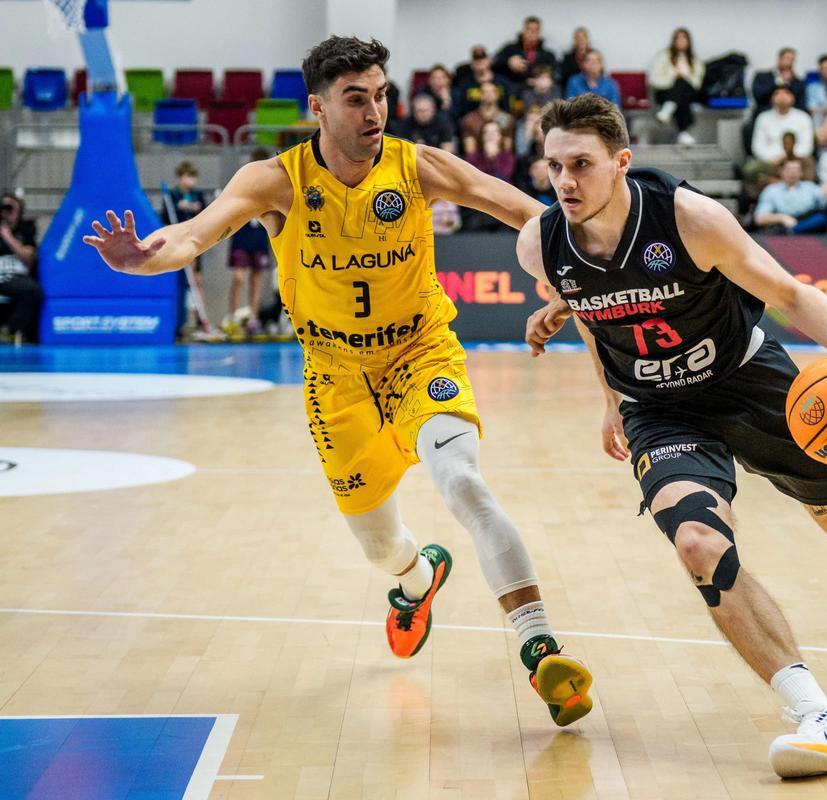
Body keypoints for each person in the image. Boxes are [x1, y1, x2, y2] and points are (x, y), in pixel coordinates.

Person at [82, 36, 594, 726]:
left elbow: (526, 211)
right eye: (357, 99)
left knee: (463, 480)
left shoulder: (418, 166)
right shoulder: (277, 181)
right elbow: (192, 236)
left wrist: (581, 262)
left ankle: (540, 647)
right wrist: (142, 261)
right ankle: (417, 581)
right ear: (319, 107)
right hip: (334, 378)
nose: (375, 111)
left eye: (381, 94)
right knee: (381, 547)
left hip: (421, 354)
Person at [516, 94, 827, 779]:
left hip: (747, 381)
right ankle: (821, 716)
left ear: (622, 163)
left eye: (581, 164)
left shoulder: (688, 218)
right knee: (696, 542)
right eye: (554, 167)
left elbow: (786, 292)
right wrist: (611, 403)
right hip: (658, 410)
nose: (565, 182)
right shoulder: (539, 243)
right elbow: (590, 313)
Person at [222, 149, 276, 335]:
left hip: (259, 239)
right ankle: (231, 315)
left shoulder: (272, 186)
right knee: (239, 277)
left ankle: (253, 317)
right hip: (242, 238)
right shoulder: (243, 182)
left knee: (257, 278)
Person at [163, 161, 209, 334]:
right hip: (176, 245)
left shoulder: (198, 195)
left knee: (196, 281)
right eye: (187, 176)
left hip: (196, 243)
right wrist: (179, 206)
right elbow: (166, 218)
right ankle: (178, 324)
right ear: (179, 178)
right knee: (178, 283)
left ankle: (200, 321)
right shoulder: (172, 196)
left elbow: (207, 217)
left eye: (193, 177)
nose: (191, 180)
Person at [744, 86, 813, 190]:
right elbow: (757, 147)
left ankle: (804, 194)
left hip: (796, 160)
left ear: (792, 98)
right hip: (771, 161)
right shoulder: (763, 118)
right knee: (750, 169)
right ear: (772, 98)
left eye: (786, 93)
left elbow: (806, 147)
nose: (781, 96)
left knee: (810, 163)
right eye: (777, 93)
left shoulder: (803, 117)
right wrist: (774, 159)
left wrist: (788, 158)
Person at [650, 27, 705, 145]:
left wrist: (685, 76)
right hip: (666, 92)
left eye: (684, 38)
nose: (681, 41)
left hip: (688, 92)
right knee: (680, 93)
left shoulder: (695, 60)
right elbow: (654, 80)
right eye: (678, 38)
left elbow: (697, 83)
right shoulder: (663, 57)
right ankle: (683, 132)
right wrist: (672, 76)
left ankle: (668, 108)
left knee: (682, 85)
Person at [0, 191, 42, 344]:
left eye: (10, 208)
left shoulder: (26, 230)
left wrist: (7, 236)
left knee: (33, 291)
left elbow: (28, 258)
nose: (6, 212)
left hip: (16, 277)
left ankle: (10, 330)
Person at [754, 157, 827, 234]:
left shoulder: (810, 187)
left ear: (801, 172)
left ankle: (795, 230)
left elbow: (825, 204)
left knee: (822, 217)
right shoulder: (771, 191)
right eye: (788, 169)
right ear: (781, 172)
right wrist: (781, 218)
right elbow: (759, 219)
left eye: (796, 169)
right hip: (782, 229)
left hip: (809, 226)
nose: (792, 173)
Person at [493, 16, 559, 88]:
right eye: (529, 29)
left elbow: (556, 74)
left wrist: (542, 80)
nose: (532, 33)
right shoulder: (510, 49)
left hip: (539, 93)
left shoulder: (548, 55)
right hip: (514, 90)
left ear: (540, 33)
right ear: (523, 31)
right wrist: (508, 62)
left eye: (536, 30)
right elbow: (494, 64)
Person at [459, 80, 515, 156]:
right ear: (480, 95)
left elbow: (507, 150)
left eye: (492, 91)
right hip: (476, 163)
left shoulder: (507, 119)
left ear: (497, 94)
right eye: (485, 92)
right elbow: (470, 152)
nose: (489, 94)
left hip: (501, 163)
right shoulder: (469, 119)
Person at [559, 26, 592, 92]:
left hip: (591, 88)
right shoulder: (567, 58)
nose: (581, 40)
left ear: (587, 39)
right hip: (573, 90)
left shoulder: (594, 56)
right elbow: (564, 78)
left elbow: (599, 74)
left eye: (583, 37)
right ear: (574, 40)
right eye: (578, 37)